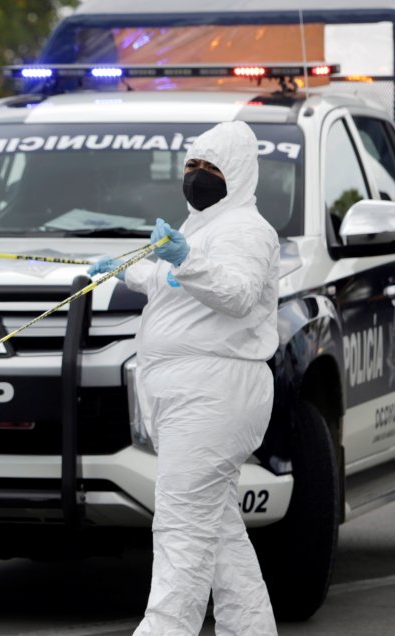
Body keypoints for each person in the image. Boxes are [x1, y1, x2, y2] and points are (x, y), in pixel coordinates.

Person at [88, 120, 279, 634]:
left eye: (210, 167)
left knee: (181, 529)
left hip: (214, 392)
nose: (196, 176)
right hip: (187, 392)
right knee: (218, 534)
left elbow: (236, 293)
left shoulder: (246, 230)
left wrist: (185, 260)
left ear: (236, 174)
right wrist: (127, 270)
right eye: (192, 165)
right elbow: (176, 284)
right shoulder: (202, 226)